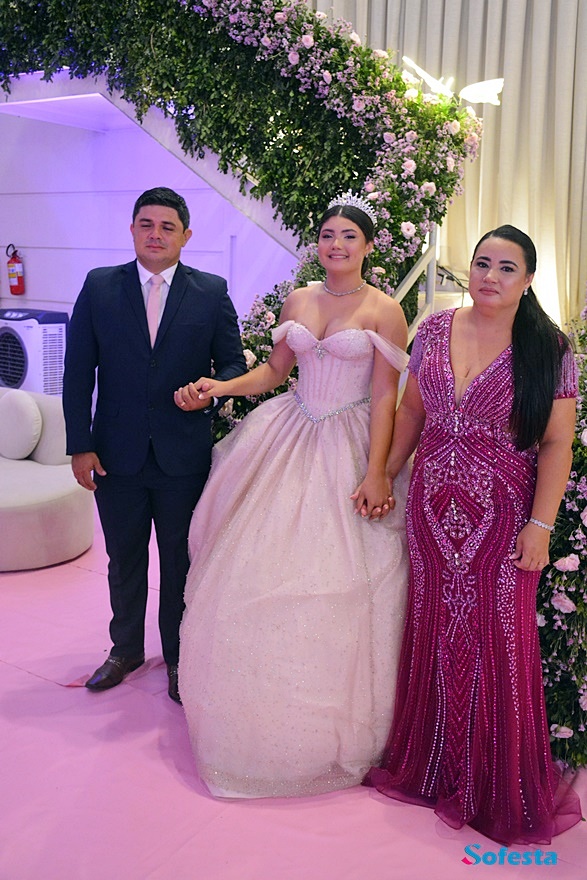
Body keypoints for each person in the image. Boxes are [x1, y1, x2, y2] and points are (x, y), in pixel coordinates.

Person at [175, 193, 410, 797]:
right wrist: (221, 386)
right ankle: (248, 713)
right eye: (328, 234)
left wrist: (378, 471)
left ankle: (333, 729)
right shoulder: (300, 298)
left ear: (369, 246)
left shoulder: (384, 309)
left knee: (340, 577)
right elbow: (275, 373)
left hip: (350, 441)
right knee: (254, 564)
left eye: (349, 236)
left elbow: (386, 396)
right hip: (291, 427)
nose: (337, 244)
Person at [364, 225, 583, 844]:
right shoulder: (435, 328)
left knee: (500, 641)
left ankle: (496, 786)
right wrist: (383, 473)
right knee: (434, 629)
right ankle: (435, 766)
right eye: (483, 263)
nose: (490, 276)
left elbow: (556, 444)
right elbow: (412, 411)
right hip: (431, 512)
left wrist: (541, 526)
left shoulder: (549, 348)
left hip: (503, 519)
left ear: (528, 280)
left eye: (507, 268)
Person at [62, 186, 246, 703]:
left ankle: (179, 659)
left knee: (180, 563)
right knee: (123, 559)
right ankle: (124, 650)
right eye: (146, 224)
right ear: (132, 229)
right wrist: (79, 444)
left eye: (167, 227)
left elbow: (232, 363)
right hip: (113, 454)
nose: (156, 234)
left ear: (186, 236)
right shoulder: (100, 286)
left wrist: (210, 390)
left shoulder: (210, 291)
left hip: (182, 455)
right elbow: (77, 372)